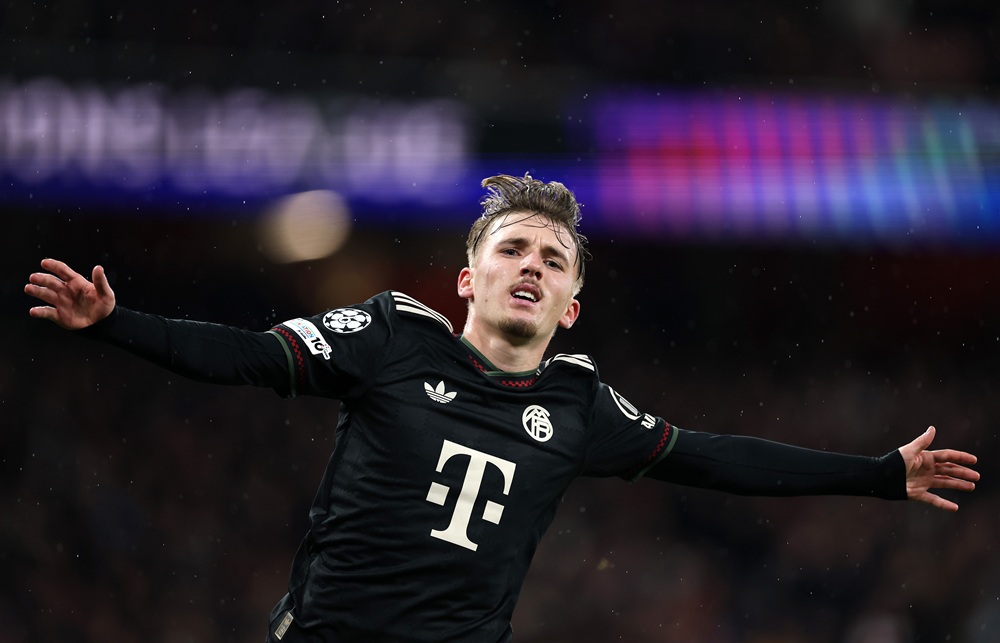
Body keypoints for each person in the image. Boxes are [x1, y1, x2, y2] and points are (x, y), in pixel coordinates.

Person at [25, 174, 979, 642]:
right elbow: (247, 355)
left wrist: (879, 475)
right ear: (466, 278)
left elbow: (715, 456)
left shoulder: (579, 401)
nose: (532, 264)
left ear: (570, 308)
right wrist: (116, 323)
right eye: (513, 248)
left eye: (553, 260)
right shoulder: (390, 337)